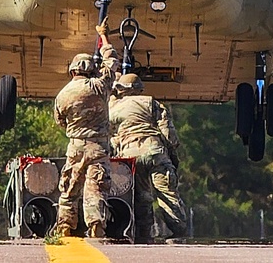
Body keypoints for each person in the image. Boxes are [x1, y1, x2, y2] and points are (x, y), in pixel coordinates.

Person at [52, 19, 120, 238]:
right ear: (91, 70)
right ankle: (96, 226)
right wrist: (104, 36)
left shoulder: (62, 95)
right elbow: (112, 62)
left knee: (70, 188)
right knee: (96, 188)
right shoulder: (99, 87)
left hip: (75, 147)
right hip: (98, 148)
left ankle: (64, 225)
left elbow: (59, 121)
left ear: (72, 71)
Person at [109, 73, 188, 242]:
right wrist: (172, 155)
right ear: (139, 89)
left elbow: (108, 134)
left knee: (141, 196)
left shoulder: (113, 108)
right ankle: (178, 233)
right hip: (154, 151)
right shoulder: (151, 103)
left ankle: (144, 236)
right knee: (167, 194)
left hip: (129, 156)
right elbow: (168, 133)